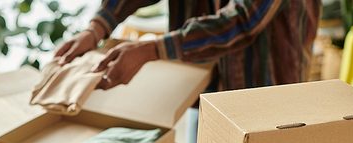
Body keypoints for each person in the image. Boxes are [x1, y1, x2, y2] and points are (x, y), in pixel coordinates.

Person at [54, 0, 322, 92]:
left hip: (265, 85)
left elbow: (242, 19)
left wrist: (151, 50)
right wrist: (97, 28)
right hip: (203, 85)